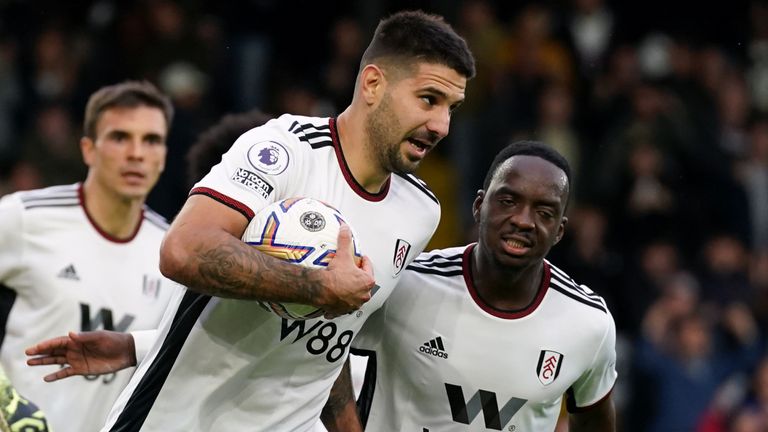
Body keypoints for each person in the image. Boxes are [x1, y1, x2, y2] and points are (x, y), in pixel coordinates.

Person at [28, 10, 475, 431]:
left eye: (451, 108)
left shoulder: (420, 212)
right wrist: (318, 288)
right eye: (428, 99)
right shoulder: (286, 149)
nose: (441, 125)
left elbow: (332, 339)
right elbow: (184, 248)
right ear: (373, 85)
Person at [351, 141, 618, 431]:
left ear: (559, 231)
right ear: (479, 206)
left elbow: (595, 421)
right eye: (508, 201)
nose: (523, 221)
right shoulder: (404, 283)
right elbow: (323, 350)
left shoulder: (589, 324)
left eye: (544, 212)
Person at [0, 80, 177, 432]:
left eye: (151, 140)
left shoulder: (171, 253)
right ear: (88, 150)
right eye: (120, 137)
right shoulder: (25, 217)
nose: (136, 153)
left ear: (163, 157)